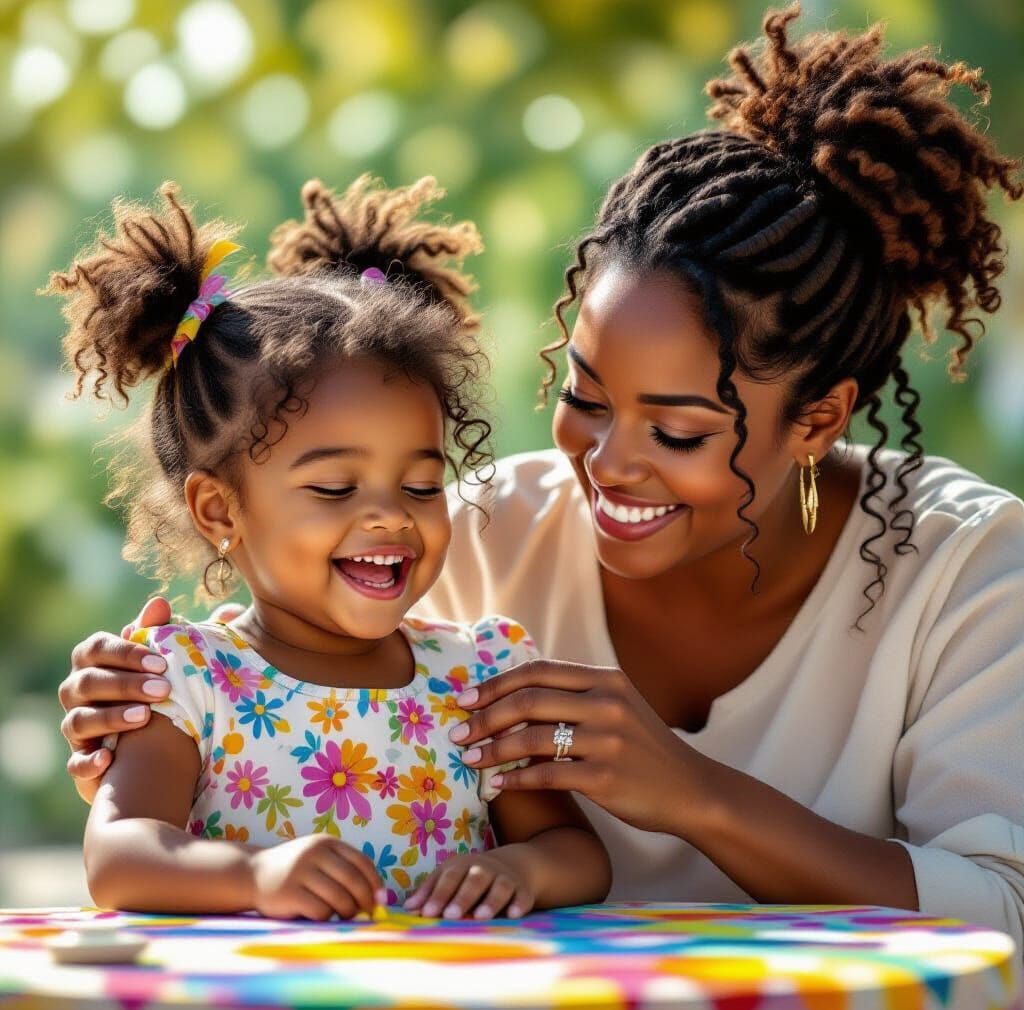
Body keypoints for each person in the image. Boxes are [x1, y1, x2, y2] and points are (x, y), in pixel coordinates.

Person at [57, 5, 1024, 944]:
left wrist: (693, 796)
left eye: (678, 432)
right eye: (588, 395)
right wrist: (135, 718)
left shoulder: (963, 570)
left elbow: (1007, 918)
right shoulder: (473, 533)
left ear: (817, 419)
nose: (604, 464)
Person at [43, 175, 611, 921]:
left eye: (418, 484)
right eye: (335, 489)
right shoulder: (187, 682)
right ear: (220, 510)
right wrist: (254, 876)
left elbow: (576, 855)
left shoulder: (481, 678)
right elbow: (119, 856)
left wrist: (521, 872)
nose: (388, 518)